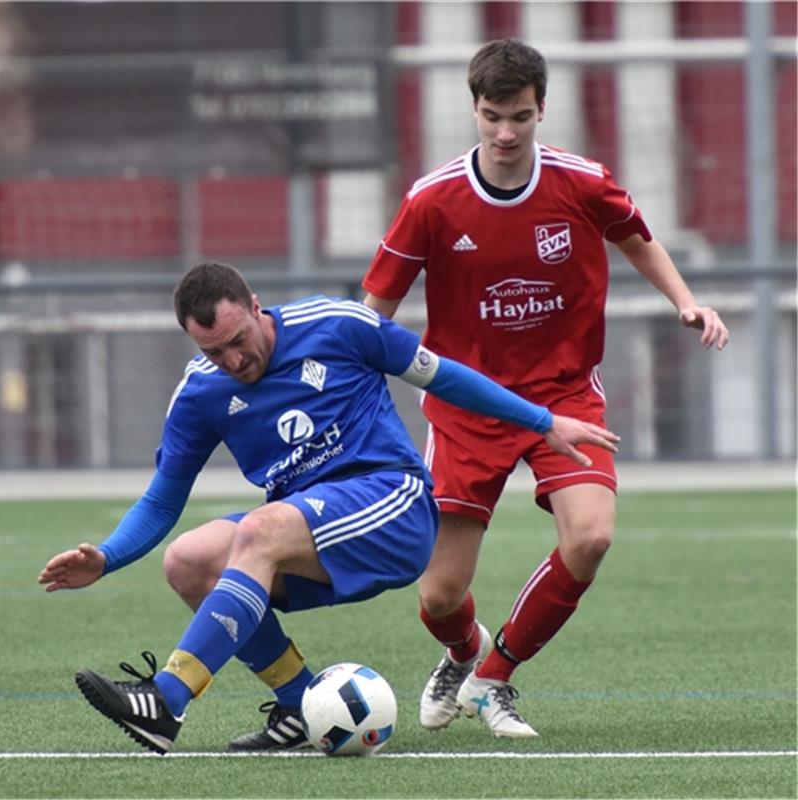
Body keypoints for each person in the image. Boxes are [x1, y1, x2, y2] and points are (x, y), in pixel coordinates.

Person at [37, 261, 619, 755]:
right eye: (214, 352)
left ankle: (166, 700)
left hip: (393, 505)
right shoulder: (200, 392)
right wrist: (107, 557)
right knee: (188, 560)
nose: (234, 360)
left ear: (257, 306)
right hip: (310, 527)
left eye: (239, 340)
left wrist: (543, 421)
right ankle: (299, 706)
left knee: (260, 531)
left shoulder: (339, 324)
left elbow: (444, 376)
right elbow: (164, 499)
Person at [362, 38, 730, 739]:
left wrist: (686, 300)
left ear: (542, 112)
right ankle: (463, 653)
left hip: (564, 396)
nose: (505, 133)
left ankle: (493, 679)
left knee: (591, 536)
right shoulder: (432, 200)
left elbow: (638, 239)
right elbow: (374, 308)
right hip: (468, 403)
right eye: (493, 116)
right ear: (473, 108)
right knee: (440, 594)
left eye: (520, 118)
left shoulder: (582, 182)